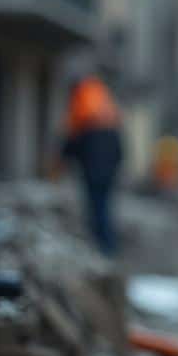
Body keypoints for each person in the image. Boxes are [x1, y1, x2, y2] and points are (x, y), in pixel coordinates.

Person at [61, 73, 124, 256]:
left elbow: (71, 146)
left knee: (97, 211)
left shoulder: (85, 122)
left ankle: (102, 248)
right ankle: (106, 247)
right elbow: (120, 152)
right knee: (104, 210)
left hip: (93, 174)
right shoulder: (110, 123)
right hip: (107, 174)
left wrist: (62, 162)